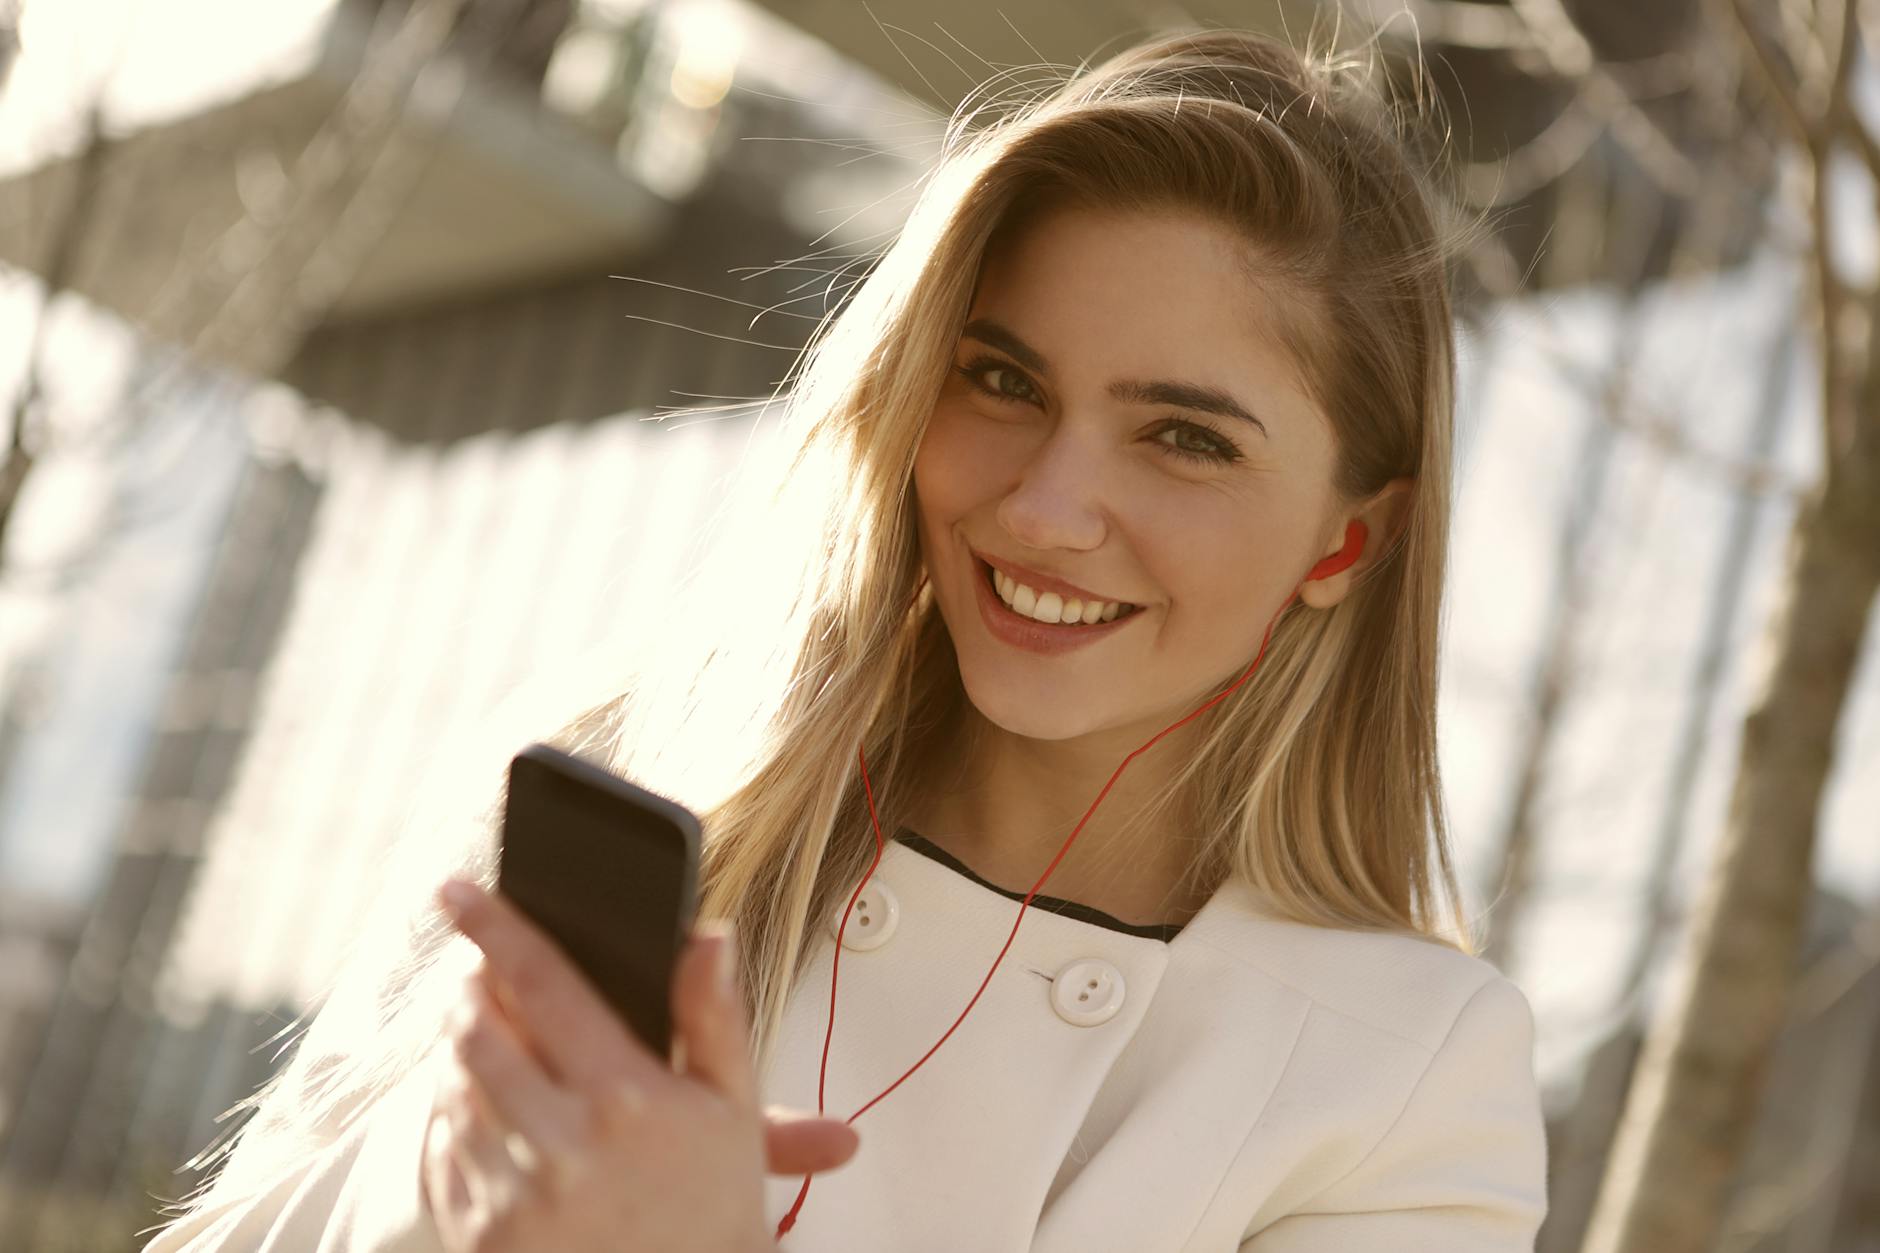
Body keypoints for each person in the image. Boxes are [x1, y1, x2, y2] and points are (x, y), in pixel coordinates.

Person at [139, 22, 1548, 1253]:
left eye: (1184, 437)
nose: (1046, 506)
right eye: (1002, 380)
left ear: (1346, 538)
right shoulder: (631, 767)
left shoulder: (1406, 1072)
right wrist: (443, 1178)